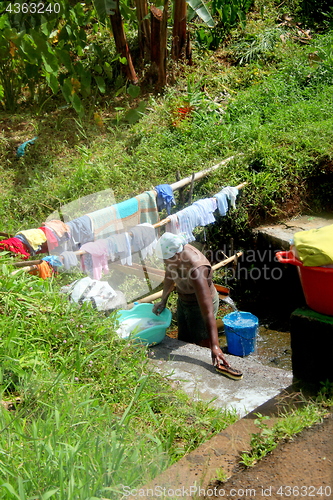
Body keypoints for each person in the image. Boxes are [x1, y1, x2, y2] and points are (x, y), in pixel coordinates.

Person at [153, 232, 231, 369]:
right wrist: (163, 300)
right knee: (184, 340)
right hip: (184, 300)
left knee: (203, 343)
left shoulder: (197, 270)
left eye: (166, 259)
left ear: (177, 254)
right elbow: (169, 276)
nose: (164, 263)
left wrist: (215, 346)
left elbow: (207, 313)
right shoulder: (173, 257)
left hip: (201, 304)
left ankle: (216, 360)